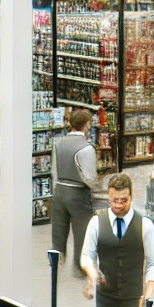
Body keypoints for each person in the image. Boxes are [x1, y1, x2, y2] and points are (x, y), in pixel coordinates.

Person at [79, 172, 154, 307]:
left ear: (131, 197)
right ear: (109, 197)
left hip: (133, 298)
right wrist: (91, 273)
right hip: (105, 297)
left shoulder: (144, 225)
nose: (118, 205)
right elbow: (87, 255)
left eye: (123, 200)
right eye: (114, 200)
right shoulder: (96, 222)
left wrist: (148, 293)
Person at [50, 107, 97, 261]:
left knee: (59, 231)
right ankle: (81, 264)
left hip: (59, 191)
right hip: (78, 194)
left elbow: (54, 171)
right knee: (82, 231)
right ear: (87, 124)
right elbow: (89, 178)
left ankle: (56, 259)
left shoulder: (58, 143)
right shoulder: (86, 147)